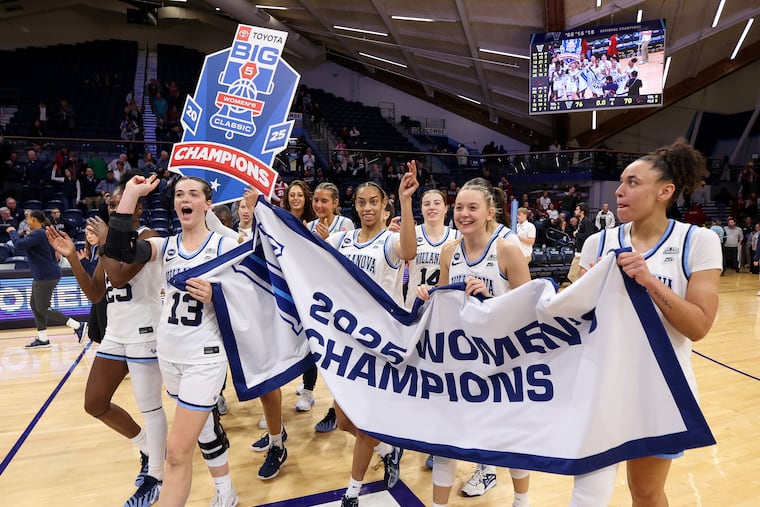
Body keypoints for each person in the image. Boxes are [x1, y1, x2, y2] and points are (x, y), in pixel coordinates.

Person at [578, 139, 722, 506]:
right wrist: (585, 293)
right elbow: (572, 323)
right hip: (601, 385)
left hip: (660, 389)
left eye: (632, 182)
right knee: (588, 491)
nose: (620, 191)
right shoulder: (598, 241)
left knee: (644, 491)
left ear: (665, 191)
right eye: (621, 182)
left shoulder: (698, 240)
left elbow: (699, 326)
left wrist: (648, 279)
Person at [104, 175, 239, 506]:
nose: (184, 199)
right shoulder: (166, 246)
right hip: (170, 356)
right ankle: (226, 490)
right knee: (204, 426)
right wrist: (132, 195)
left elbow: (252, 302)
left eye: (193, 194)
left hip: (204, 358)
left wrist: (217, 295)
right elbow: (119, 249)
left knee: (177, 454)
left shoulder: (226, 246)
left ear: (208, 204)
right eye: (179, 194)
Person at [46, 176, 167, 506]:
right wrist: (73, 257)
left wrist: (106, 242)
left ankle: (156, 476)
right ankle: (146, 448)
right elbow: (97, 292)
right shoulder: (109, 245)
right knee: (95, 403)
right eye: (112, 207)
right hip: (116, 333)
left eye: (119, 206)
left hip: (145, 334)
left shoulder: (150, 238)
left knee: (150, 407)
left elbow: (118, 275)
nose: (114, 211)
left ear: (137, 208)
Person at [415, 181, 532, 507]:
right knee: (445, 440)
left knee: (506, 440)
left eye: (472, 208)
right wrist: (428, 296)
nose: (464, 214)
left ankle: (521, 501)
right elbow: (441, 302)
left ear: (489, 213)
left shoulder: (507, 250)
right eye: (459, 208)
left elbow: (532, 310)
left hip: (501, 361)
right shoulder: (449, 252)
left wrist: (491, 298)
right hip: (458, 361)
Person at [323, 166, 418, 507]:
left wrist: (406, 203)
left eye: (373, 202)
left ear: (383, 205)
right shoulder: (342, 239)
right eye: (361, 202)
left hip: (379, 342)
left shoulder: (390, 241)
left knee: (364, 421)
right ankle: (389, 448)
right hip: (346, 340)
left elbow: (409, 252)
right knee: (344, 419)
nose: (366, 208)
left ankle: (352, 492)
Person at [7, 210, 88, 348]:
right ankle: (43, 339)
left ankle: (77, 325)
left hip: (45, 275)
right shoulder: (43, 233)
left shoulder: (38, 234)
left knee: (42, 307)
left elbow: (19, 245)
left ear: (34, 219)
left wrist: (12, 231)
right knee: (35, 305)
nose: (27, 222)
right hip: (46, 273)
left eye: (28, 219)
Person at [568, 203, 596, 282]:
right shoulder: (581, 222)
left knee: (572, 275)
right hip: (579, 251)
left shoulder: (586, 222)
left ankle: (580, 289)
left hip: (582, 253)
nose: (575, 211)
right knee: (579, 275)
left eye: (577, 210)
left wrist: (577, 234)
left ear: (582, 211)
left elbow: (589, 236)